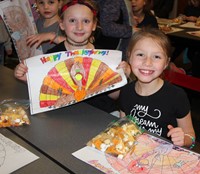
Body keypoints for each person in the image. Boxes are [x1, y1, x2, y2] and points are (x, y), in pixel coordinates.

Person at [14, 0, 130, 113]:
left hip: (100, 114)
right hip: (65, 115)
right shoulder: (51, 57)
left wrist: (122, 76)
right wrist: (27, 78)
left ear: (94, 25)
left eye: (86, 21)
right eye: (72, 20)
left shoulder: (106, 56)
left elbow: (114, 95)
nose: (79, 27)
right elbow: (44, 90)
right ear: (62, 24)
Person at [109, 28, 195, 148]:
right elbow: (123, 126)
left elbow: (191, 136)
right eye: (140, 54)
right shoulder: (126, 91)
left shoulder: (177, 96)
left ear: (166, 63)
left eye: (156, 57)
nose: (147, 62)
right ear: (129, 57)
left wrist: (184, 139)